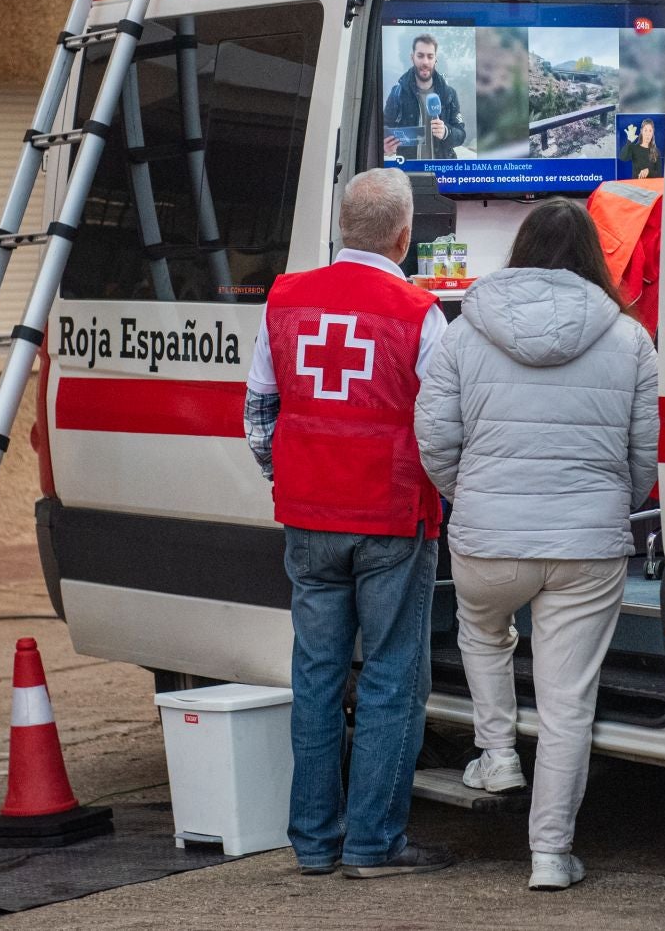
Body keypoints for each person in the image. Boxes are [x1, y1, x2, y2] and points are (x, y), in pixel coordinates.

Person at [412, 198, 660, 892]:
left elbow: (434, 439)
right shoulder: (631, 338)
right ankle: (550, 856)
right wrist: (614, 504)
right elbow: (645, 456)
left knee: (483, 630)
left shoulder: (466, 332)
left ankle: (495, 753)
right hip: (588, 546)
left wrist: (474, 497)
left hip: (488, 538)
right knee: (567, 706)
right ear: (591, 256)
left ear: (520, 250)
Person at [242, 168, 455, 879]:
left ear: (342, 226)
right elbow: (441, 425)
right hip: (394, 518)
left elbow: (258, 417)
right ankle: (373, 845)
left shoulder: (285, 299)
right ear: (403, 236)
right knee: (393, 678)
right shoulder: (419, 312)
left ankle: (312, 842)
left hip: (309, 518)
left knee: (318, 675)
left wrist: (292, 476)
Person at [383, 34, 468, 160]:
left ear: (435, 60)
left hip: (442, 172)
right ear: (412, 57)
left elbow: (461, 135)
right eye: (420, 56)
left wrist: (446, 132)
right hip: (408, 171)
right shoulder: (397, 93)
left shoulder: (449, 94)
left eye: (430, 56)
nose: (425, 62)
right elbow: (384, 128)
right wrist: (385, 146)